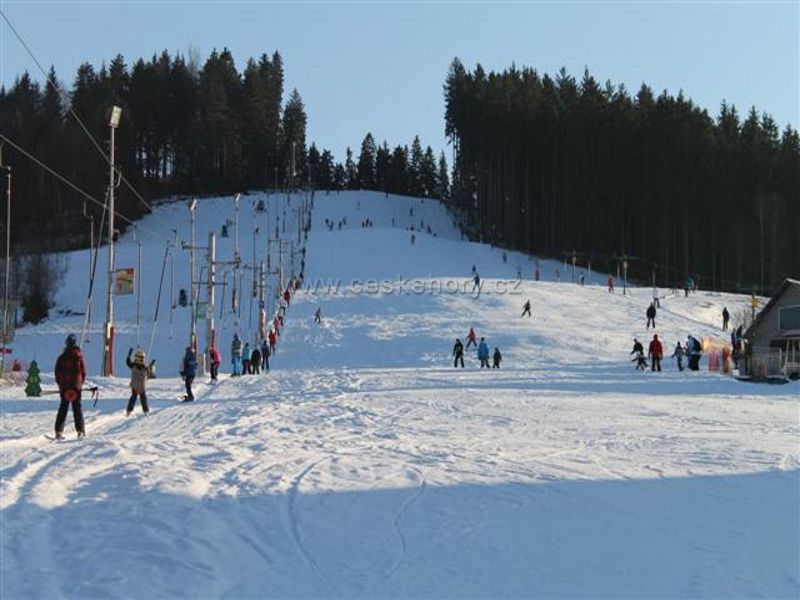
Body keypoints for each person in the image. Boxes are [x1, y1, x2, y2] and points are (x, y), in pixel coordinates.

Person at [53, 334, 87, 439]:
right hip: (76, 386)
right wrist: (80, 384)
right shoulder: (79, 357)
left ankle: (58, 431)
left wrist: (60, 385)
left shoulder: (62, 357)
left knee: (63, 408)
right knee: (77, 408)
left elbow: (57, 373)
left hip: (65, 386)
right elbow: (84, 372)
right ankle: (80, 431)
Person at [126, 348, 151, 416]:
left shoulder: (133, 366)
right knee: (143, 398)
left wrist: (129, 355)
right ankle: (146, 411)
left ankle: (129, 411)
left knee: (133, 397)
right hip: (141, 386)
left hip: (134, 386)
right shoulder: (145, 368)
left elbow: (128, 362)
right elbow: (149, 375)